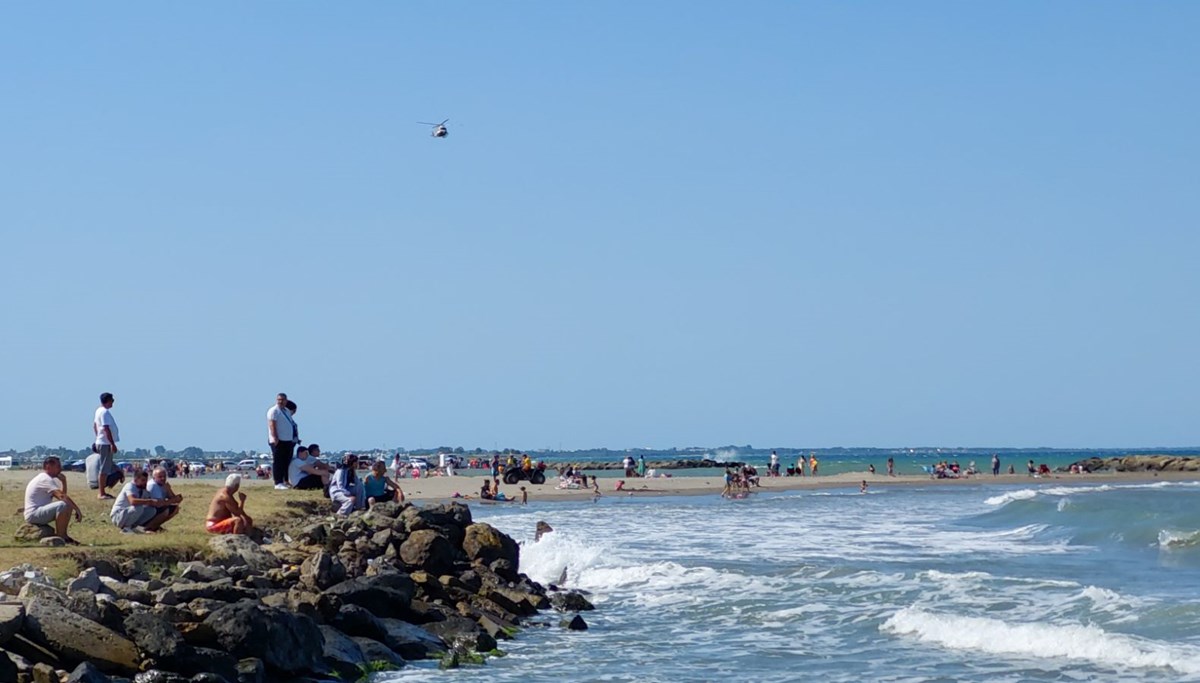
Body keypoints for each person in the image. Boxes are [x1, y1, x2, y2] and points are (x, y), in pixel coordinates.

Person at [24, 457, 82, 544]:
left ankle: (63, 535)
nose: (60, 469)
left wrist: (64, 482)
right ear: (48, 467)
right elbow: (62, 497)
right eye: (58, 466)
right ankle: (61, 536)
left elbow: (62, 496)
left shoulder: (46, 479)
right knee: (64, 505)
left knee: (65, 504)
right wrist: (77, 510)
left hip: (37, 512)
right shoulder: (45, 479)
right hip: (33, 514)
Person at [266, 393, 298, 490]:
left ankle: (285, 481)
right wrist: (275, 437)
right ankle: (278, 482)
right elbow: (272, 424)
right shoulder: (274, 411)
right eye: (279, 399)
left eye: (283, 400)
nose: (280, 401)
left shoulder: (286, 411)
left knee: (285, 461)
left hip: (287, 440)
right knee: (278, 461)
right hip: (279, 440)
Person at [93, 392, 120, 500]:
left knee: (106, 467)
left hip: (102, 441)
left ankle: (103, 491)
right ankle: (101, 493)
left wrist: (97, 438)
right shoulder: (104, 412)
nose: (113, 402)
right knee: (104, 469)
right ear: (108, 401)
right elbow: (106, 428)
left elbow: (94, 426)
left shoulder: (98, 411)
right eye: (112, 400)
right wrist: (112, 443)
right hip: (105, 443)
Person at [145, 465, 183, 531]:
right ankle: (148, 528)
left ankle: (155, 526)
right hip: (148, 511)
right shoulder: (153, 485)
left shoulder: (163, 485)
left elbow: (175, 500)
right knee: (165, 510)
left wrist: (169, 490)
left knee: (175, 508)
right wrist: (173, 500)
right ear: (154, 477)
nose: (163, 478)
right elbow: (160, 503)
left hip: (155, 509)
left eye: (164, 476)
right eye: (160, 477)